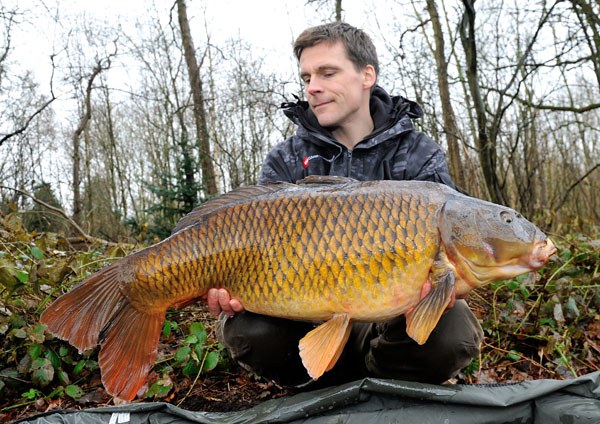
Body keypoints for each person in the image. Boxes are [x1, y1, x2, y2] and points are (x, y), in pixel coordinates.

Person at [207, 21, 483, 388]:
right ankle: (320, 386)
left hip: (389, 329)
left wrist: (443, 290)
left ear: (366, 75)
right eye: (306, 77)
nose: (312, 87)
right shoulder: (287, 160)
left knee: (453, 328)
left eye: (327, 72)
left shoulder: (417, 155)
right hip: (306, 323)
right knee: (247, 325)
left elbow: (450, 253)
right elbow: (255, 245)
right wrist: (231, 285)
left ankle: (387, 386)